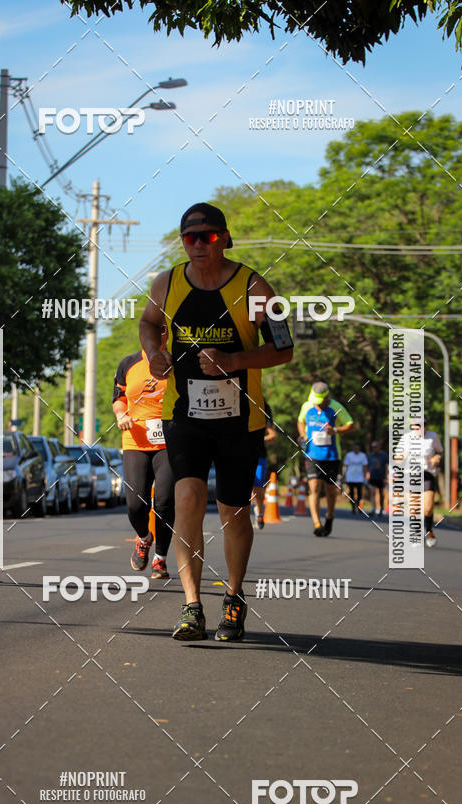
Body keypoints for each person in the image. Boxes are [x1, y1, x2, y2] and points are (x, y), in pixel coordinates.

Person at [139, 202, 293, 641]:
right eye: (190, 238)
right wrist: (154, 353)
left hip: (239, 419)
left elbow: (284, 348)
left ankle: (234, 597)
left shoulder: (255, 287)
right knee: (187, 498)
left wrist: (235, 360)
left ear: (224, 238)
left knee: (233, 511)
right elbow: (149, 322)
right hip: (183, 414)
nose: (198, 245)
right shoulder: (167, 283)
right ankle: (191, 606)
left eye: (207, 236)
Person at [112, 327, 175, 578]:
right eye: (151, 329)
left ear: (168, 334)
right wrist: (121, 415)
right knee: (135, 504)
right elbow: (119, 398)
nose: (157, 334)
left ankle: (160, 558)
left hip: (169, 443)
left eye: (163, 330)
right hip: (135, 440)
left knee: (164, 501)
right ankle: (144, 537)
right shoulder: (128, 364)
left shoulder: (177, 363)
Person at [297, 381, 354, 536]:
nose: (317, 404)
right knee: (314, 487)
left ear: (327, 397)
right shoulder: (307, 406)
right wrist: (303, 435)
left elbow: (350, 425)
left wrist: (335, 430)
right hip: (312, 453)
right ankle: (316, 523)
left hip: (331, 455)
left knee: (330, 491)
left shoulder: (336, 407)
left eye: (320, 401)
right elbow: (300, 421)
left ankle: (329, 517)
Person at [395, 420, 443, 548]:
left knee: (428, 507)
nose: (419, 428)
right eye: (416, 425)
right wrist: (403, 456)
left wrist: (437, 457)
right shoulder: (406, 438)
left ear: (426, 426)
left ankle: (429, 531)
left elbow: (440, 451)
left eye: (422, 425)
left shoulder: (433, 437)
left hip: (427, 474)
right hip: (411, 474)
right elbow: (396, 457)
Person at [251, 400, 277, 530]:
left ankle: (259, 512)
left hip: (259, 454)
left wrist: (258, 439)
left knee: (258, 488)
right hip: (240, 454)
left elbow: (272, 434)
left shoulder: (264, 407)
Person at [342, 442, 368, 514]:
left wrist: (365, 476)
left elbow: (365, 466)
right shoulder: (349, 455)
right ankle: (353, 507)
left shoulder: (363, 455)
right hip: (350, 476)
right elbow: (346, 466)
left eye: (357, 447)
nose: (356, 448)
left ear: (359, 448)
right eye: (355, 447)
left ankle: (359, 507)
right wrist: (344, 475)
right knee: (352, 493)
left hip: (359, 477)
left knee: (360, 493)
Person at [367, 440, 389, 516]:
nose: (374, 448)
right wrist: (367, 474)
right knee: (373, 492)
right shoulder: (370, 455)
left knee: (381, 493)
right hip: (373, 476)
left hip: (381, 477)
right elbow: (368, 466)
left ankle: (381, 509)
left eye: (375, 447)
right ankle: (374, 509)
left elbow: (386, 466)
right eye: (373, 447)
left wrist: (386, 477)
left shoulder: (384, 455)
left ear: (379, 447)